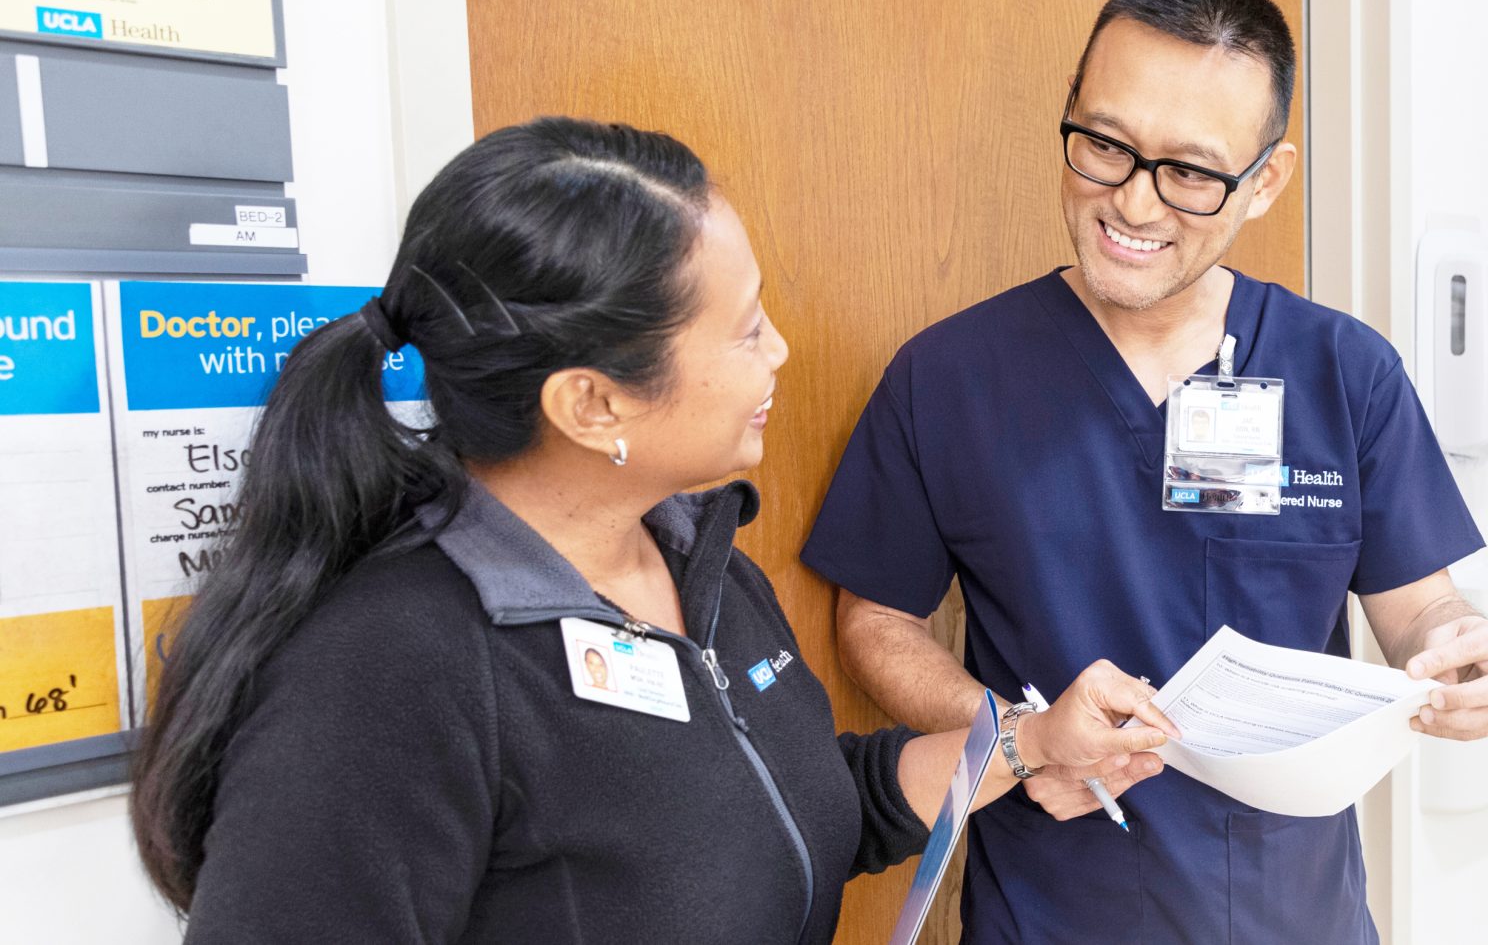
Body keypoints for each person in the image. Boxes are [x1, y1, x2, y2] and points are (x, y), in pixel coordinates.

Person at [126, 117, 1178, 944]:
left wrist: (1030, 743)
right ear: (593, 405)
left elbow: (813, 809)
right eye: (745, 328)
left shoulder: (700, 562)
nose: (779, 353)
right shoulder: (391, 671)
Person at [802, 0, 1488, 943]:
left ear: (1265, 179)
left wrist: (1462, 653)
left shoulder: (1343, 373)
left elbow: (1421, 608)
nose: (1134, 206)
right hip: (1052, 913)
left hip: (1294, 914)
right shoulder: (950, 377)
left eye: (1189, 171)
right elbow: (877, 620)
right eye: (1104, 145)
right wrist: (1020, 740)